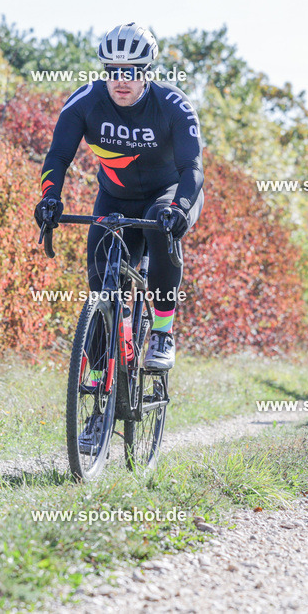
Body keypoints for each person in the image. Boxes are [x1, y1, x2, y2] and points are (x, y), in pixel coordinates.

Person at [35, 22, 204, 372]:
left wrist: (181, 208)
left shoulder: (173, 105)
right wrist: (50, 198)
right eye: (113, 71)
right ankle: (101, 379)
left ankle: (162, 332)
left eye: (131, 71)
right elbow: (57, 157)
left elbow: (193, 169)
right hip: (114, 197)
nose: (121, 80)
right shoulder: (86, 100)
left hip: (168, 193)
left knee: (161, 228)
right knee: (101, 289)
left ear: (147, 73)